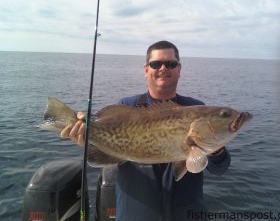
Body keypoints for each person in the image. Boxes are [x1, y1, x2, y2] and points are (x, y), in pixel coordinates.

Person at [61, 40, 231, 221]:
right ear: (146, 70)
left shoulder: (196, 108)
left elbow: (220, 168)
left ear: (179, 70)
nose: (163, 68)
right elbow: (100, 145)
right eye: (156, 64)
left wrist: (216, 147)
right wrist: (86, 134)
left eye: (171, 64)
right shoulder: (127, 106)